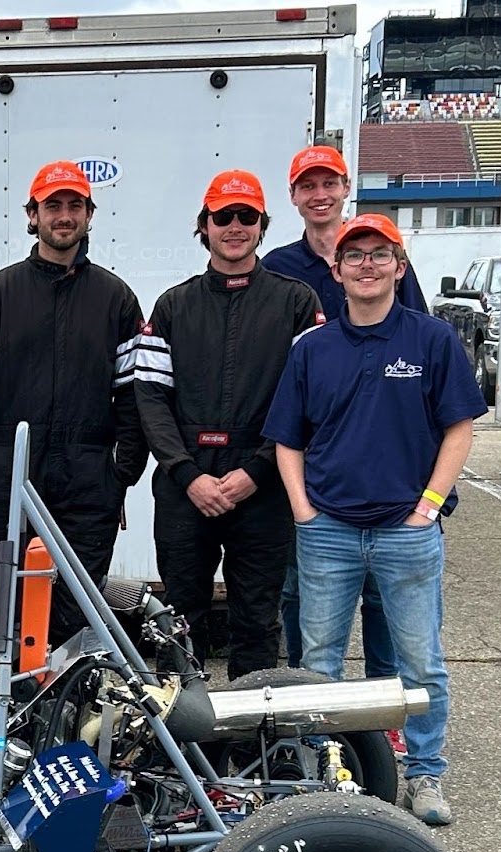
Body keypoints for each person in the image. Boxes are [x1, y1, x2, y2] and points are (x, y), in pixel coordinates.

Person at [262, 214, 486, 826]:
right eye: (354, 255)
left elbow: (459, 428)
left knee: (420, 663)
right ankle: (324, 777)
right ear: (335, 273)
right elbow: (288, 439)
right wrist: (304, 511)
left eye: (378, 254)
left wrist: (428, 508)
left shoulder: (433, 341)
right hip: (328, 531)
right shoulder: (312, 349)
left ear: (399, 266)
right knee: (320, 666)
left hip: (406, 531)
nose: (366, 264)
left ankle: (425, 777)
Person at [135, 170, 325, 677]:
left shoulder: (297, 302)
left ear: (262, 226)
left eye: (247, 216)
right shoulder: (172, 305)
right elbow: (150, 399)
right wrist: (186, 473)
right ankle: (182, 743)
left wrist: (256, 473)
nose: (235, 226)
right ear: (205, 226)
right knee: (179, 620)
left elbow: (307, 402)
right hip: (185, 487)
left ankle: (252, 742)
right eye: (224, 217)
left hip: (262, 489)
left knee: (257, 621)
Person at [0, 160, 147, 642]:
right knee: (14, 609)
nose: (64, 215)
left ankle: (68, 711)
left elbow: (133, 392)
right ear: (32, 215)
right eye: (52, 205)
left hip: (89, 474)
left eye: (74, 206)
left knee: (79, 607)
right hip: (11, 468)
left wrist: (124, 469)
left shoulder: (116, 297)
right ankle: (15, 712)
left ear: (89, 215)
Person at [264, 145, 427, 693]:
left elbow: (423, 354)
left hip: (386, 468)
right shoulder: (278, 267)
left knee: (383, 599)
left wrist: (428, 495)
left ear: (345, 186)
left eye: (328, 183)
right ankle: (307, 692)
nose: (320, 195)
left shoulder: (383, 257)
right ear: (294, 197)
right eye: (308, 186)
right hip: (315, 466)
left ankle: (384, 700)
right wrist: (301, 504)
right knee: (298, 593)